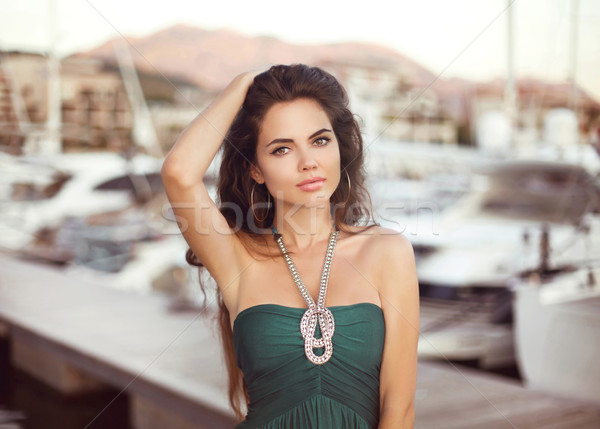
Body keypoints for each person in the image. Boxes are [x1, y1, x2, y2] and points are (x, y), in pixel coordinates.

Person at [161, 64, 420, 428]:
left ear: (339, 148)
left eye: (320, 140)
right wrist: (243, 84)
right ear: (256, 169)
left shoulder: (386, 252)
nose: (308, 162)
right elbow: (178, 173)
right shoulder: (238, 258)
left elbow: (399, 409)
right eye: (282, 149)